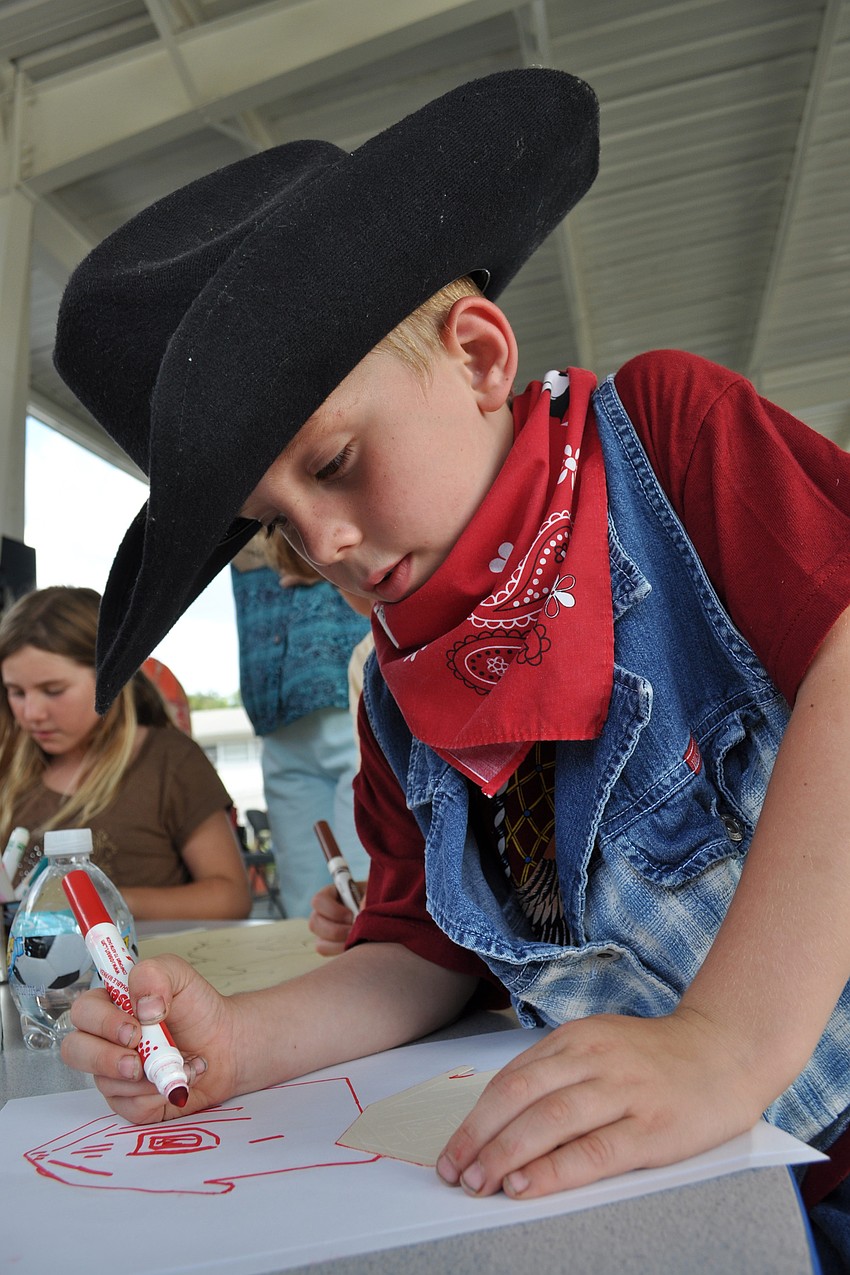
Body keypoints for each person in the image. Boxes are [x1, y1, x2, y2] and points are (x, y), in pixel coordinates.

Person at [51, 70, 850, 1268]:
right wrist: (240, 1039)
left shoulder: (670, 445)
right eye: (274, 523)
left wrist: (725, 1040)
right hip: (703, 1190)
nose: (320, 546)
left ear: (479, 357)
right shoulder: (396, 701)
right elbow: (418, 955)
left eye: (333, 462)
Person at [0, 586, 252, 920]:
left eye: (53, 691)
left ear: (112, 673)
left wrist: (98, 903)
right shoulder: (10, 763)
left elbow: (231, 898)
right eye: (16, 692)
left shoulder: (171, 762)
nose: (31, 713)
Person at [231, 531, 370, 916]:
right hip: (274, 703)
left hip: (352, 681)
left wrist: (322, 555)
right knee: (305, 901)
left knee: (369, 881)